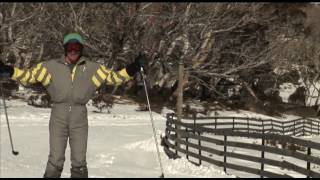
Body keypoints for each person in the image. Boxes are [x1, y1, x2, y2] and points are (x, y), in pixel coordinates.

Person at [0, 32, 146, 178]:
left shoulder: (92, 68)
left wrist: (134, 67)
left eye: (76, 47)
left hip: (79, 117)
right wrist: (7, 70)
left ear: (81, 48)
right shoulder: (50, 66)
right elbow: (28, 77)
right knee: (55, 160)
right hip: (58, 115)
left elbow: (115, 78)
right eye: (70, 46)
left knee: (79, 162)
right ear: (65, 48)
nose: (73, 50)